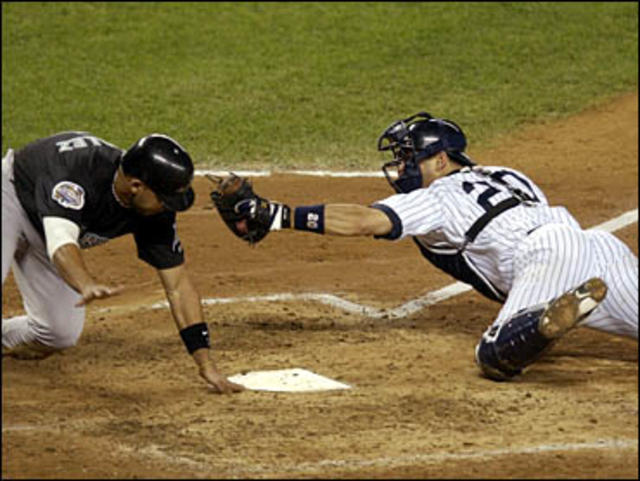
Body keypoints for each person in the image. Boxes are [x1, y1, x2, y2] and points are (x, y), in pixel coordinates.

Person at [212, 112, 638, 381]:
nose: (400, 168)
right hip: (595, 245)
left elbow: (365, 221)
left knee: (494, 356)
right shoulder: (508, 174)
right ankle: (550, 314)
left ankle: (543, 324)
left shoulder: (438, 195)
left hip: (544, 257)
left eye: (407, 158)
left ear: (439, 160)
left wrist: (279, 214)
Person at [2, 131, 244, 394]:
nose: (168, 207)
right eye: (164, 199)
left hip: (45, 230)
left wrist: (205, 364)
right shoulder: (79, 173)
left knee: (58, 332)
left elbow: (178, 285)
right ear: (136, 186)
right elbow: (61, 240)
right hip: (11, 197)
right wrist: (84, 284)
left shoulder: (154, 212)